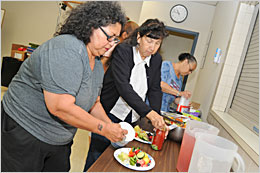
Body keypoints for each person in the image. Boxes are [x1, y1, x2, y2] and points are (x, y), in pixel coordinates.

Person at [1, 1, 128, 172]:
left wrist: (112, 127)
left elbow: (94, 103)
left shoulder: (97, 63)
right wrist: (104, 129)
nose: (112, 44)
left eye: (116, 39)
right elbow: (60, 107)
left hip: (59, 140)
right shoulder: (67, 48)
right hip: (25, 132)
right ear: (91, 25)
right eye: (109, 36)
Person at [84, 18, 169, 171]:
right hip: (109, 112)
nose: (152, 47)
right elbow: (124, 87)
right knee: (98, 157)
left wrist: (156, 115)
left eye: (157, 44)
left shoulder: (156, 59)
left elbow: (155, 89)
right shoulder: (123, 51)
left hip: (132, 116)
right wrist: (149, 113)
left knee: (120, 159)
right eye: (149, 41)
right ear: (139, 38)